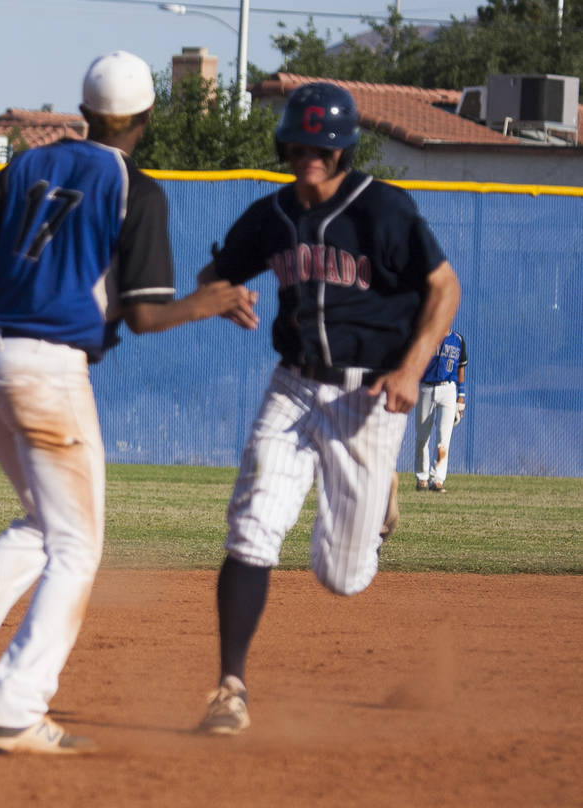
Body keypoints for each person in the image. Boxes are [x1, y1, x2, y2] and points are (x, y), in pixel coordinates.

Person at [0, 50, 247, 755]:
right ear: (147, 117)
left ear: (84, 111)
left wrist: (20, 295)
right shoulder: (134, 188)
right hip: (47, 372)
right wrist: (207, 302)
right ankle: (19, 708)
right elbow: (143, 317)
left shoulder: (30, 163)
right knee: (79, 547)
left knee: (47, 526)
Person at [194, 82, 461, 735]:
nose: (311, 154)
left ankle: (375, 506)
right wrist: (223, 296)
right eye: (301, 142)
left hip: (368, 398)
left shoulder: (382, 210)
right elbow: (215, 278)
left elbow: (444, 286)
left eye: (325, 144)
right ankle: (230, 689)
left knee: (341, 576)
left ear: (343, 149)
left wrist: (412, 367)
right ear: (286, 142)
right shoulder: (271, 216)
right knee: (253, 525)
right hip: (292, 387)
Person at [414, 328, 468, 492]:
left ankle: (437, 479)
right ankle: (422, 478)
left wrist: (461, 395)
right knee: (423, 435)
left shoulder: (457, 339)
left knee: (444, 437)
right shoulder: (425, 334)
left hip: (448, 389)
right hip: (426, 387)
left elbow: (461, 367)